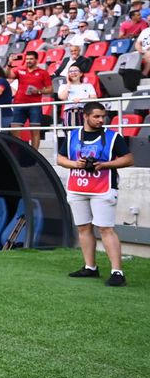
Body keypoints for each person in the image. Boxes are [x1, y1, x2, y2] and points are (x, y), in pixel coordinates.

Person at [58, 102, 135, 287]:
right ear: (85, 116)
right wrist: (75, 164)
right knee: (83, 228)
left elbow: (129, 159)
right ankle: (90, 267)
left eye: (103, 116)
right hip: (77, 187)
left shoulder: (113, 136)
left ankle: (117, 272)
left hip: (103, 187)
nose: (101, 120)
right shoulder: (71, 136)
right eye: (97, 116)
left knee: (105, 228)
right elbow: (60, 159)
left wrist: (104, 164)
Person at [8, 51, 53, 150]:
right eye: (27, 59)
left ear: (36, 60)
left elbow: (50, 89)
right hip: (19, 104)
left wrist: (39, 91)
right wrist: (9, 63)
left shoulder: (43, 73)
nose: (28, 61)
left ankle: (35, 155)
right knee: (14, 130)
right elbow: (8, 75)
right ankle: (20, 152)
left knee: (35, 131)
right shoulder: (20, 70)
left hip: (35, 105)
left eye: (31, 59)